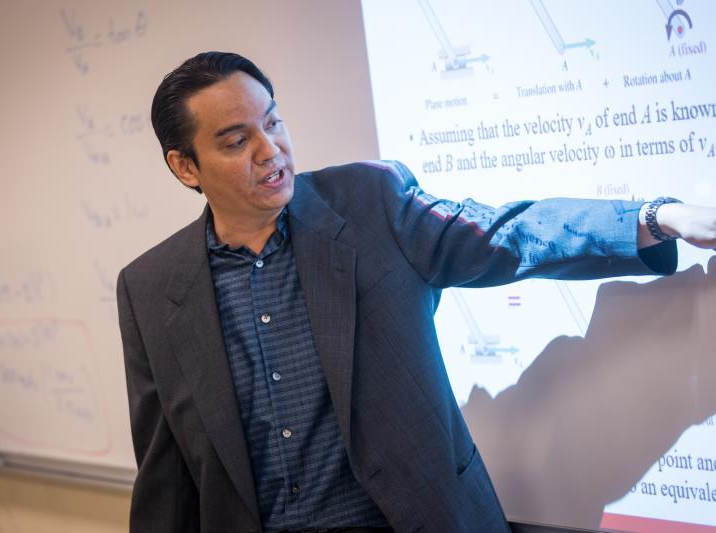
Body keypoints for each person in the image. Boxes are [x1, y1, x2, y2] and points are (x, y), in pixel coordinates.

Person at [116, 51, 716, 533]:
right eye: (235, 140)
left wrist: (658, 216)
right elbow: (166, 479)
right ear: (185, 167)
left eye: (272, 121)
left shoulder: (370, 205)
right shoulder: (148, 290)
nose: (269, 150)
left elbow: (507, 233)